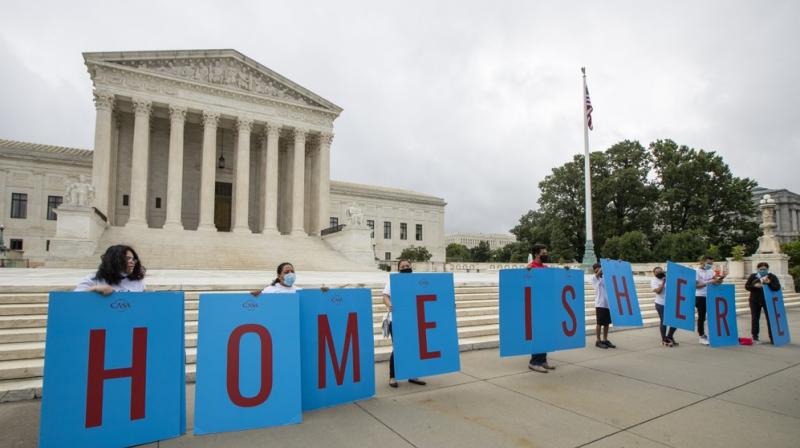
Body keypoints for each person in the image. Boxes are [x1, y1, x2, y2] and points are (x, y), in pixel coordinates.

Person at [383, 259, 426, 388]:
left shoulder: (416, 281)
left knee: (414, 347)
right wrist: (390, 305)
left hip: (413, 320)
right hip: (397, 320)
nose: (406, 267)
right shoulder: (393, 281)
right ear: (398, 269)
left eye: (407, 265)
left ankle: (412, 374)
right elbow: (385, 296)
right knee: (398, 348)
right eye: (403, 266)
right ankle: (393, 377)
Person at [527, 243, 556, 373]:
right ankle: (534, 362)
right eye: (544, 253)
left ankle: (543, 360)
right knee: (538, 334)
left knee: (545, 333)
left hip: (546, 305)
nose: (546, 255)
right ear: (537, 254)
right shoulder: (530, 268)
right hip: (536, 306)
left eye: (546, 252)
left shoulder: (545, 267)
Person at [75, 245, 146, 295]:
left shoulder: (138, 281)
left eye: (133, 259)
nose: (132, 261)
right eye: (127, 258)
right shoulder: (92, 279)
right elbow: (74, 300)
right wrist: (94, 289)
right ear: (114, 259)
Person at [745, 262, 782, 344]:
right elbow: (747, 286)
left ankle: (773, 337)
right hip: (754, 300)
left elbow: (777, 287)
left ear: (767, 269)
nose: (762, 271)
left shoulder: (772, 277)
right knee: (755, 318)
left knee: (770, 318)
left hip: (768, 300)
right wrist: (754, 286)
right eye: (761, 269)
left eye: (764, 269)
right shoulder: (753, 276)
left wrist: (769, 283)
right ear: (757, 269)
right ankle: (755, 336)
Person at [695, 255, 725, 345]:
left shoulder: (711, 271)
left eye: (711, 263)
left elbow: (716, 282)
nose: (710, 265)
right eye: (708, 263)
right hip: (700, 296)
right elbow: (696, 286)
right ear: (702, 262)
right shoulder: (696, 271)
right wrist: (709, 282)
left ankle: (713, 334)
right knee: (702, 316)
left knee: (713, 315)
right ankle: (701, 335)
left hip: (711, 295)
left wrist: (720, 279)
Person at [651, 266, 677, 347]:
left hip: (671, 303)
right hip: (660, 304)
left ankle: (669, 336)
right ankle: (664, 339)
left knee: (675, 321)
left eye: (660, 271)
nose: (659, 272)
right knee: (664, 321)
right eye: (657, 272)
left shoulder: (669, 278)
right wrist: (663, 282)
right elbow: (658, 292)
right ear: (654, 274)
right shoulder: (653, 281)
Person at [591, 263, 616, 349]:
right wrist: (605, 264)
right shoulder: (595, 278)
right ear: (594, 270)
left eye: (600, 268)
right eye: (597, 268)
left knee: (607, 323)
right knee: (599, 323)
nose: (599, 270)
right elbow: (598, 274)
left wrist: (615, 264)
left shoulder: (606, 278)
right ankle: (598, 341)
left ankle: (605, 339)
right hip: (600, 304)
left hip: (607, 304)